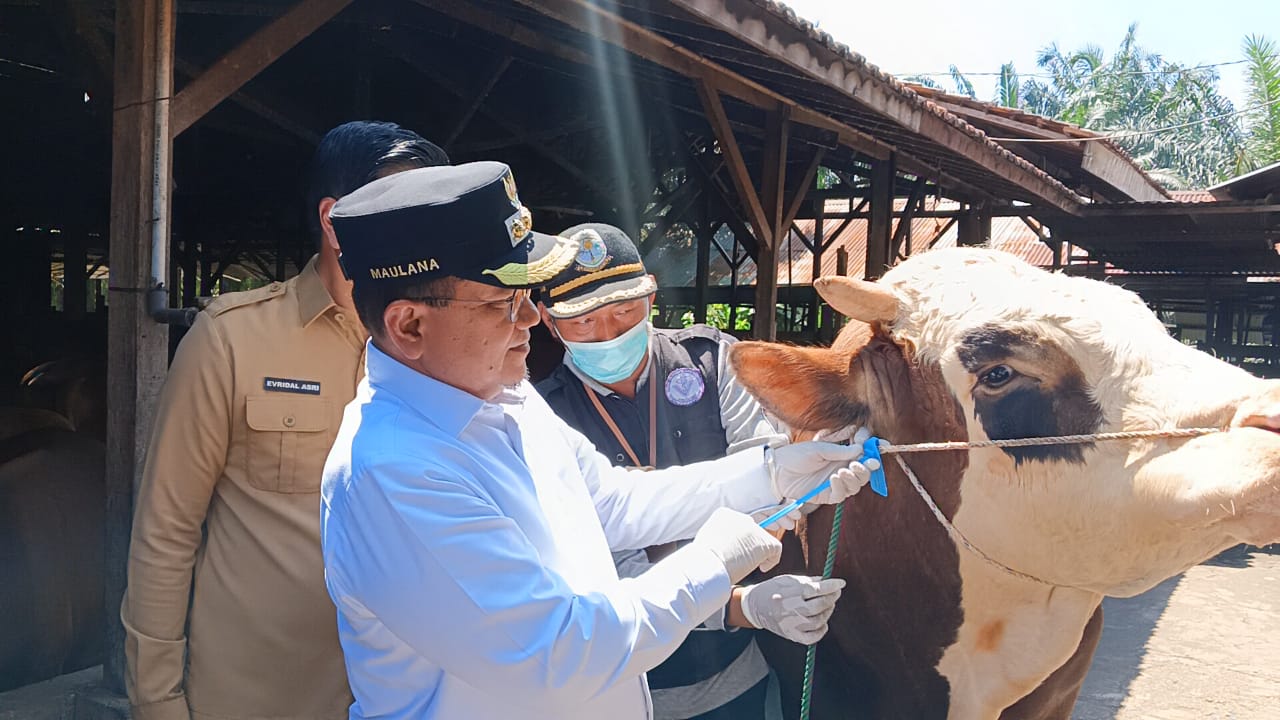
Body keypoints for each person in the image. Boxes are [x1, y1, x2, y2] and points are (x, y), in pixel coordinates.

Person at [320, 160, 873, 720]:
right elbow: (559, 657)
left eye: (527, 294)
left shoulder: (505, 399)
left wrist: (770, 475)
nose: (530, 318)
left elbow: (610, 501)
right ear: (410, 326)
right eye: (502, 302)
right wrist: (713, 560)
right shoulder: (395, 472)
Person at [121, 121, 450, 720]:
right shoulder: (231, 340)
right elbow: (166, 531)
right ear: (335, 222)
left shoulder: (439, 350)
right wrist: (157, 699)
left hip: (401, 699)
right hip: (259, 699)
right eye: (401, 211)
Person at [535, 222, 820, 719]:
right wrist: (741, 605)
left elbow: (770, 505)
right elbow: (603, 572)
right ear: (547, 319)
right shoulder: (543, 417)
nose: (609, 334)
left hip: (733, 676)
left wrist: (781, 485)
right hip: (624, 690)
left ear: (650, 296)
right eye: (583, 322)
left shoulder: (713, 361)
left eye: (625, 312)